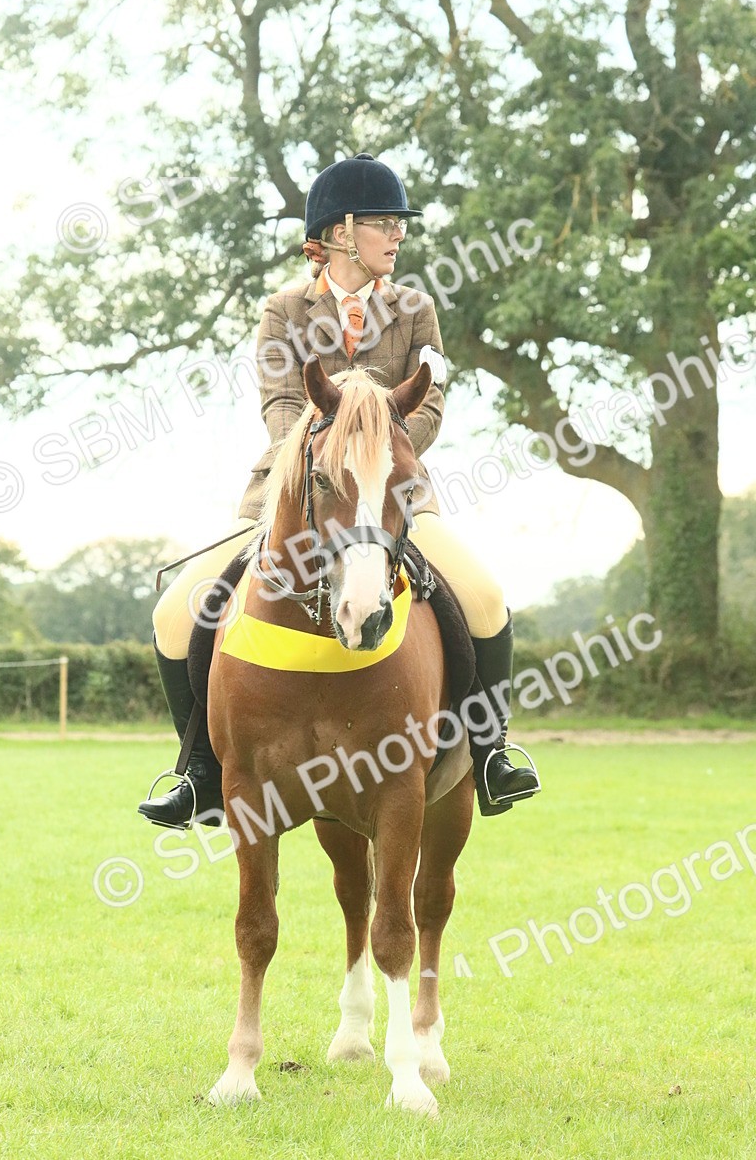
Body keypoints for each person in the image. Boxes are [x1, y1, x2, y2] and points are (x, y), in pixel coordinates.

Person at [138, 152, 539, 829]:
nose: (399, 235)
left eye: (399, 224)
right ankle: (200, 770)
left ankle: (492, 751)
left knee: (486, 599)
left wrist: (377, 460)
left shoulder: (415, 310)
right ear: (340, 233)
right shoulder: (283, 310)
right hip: (291, 495)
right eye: (386, 222)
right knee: (176, 614)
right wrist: (330, 460)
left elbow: (430, 407)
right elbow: (281, 407)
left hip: (395, 499)